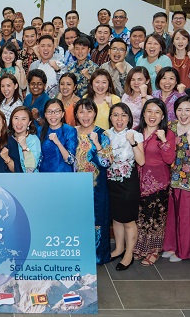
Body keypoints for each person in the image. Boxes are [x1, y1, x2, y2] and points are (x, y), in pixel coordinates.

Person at [162, 96, 190, 263]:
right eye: (179, 109)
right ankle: (171, 246)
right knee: (172, 216)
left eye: (187, 110)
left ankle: (184, 251)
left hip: (189, 181)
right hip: (170, 179)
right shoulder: (171, 126)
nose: (183, 114)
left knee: (185, 217)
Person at [134, 99, 176, 266]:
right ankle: (140, 248)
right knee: (140, 217)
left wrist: (164, 140)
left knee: (155, 219)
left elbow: (170, 159)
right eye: (149, 111)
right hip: (136, 182)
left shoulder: (167, 133)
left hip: (158, 183)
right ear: (143, 113)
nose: (152, 115)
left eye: (157, 112)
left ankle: (153, 251)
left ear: (163, 116)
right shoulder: (135, 131)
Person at [73, 99, 113, 264]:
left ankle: (97, 255)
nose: (85, 115)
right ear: (76, 114)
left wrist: (96, 143)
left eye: (89, 111)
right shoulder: (71, 133)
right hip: (74, 187)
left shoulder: (102, 134)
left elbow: (107, 162)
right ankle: (78, 253)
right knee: (77, 219)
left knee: (98, 219)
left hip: (96, 187)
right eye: (81, 111)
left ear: (95, 113)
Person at [107, 103, 145, 271]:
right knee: (116, 218)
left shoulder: (135, 134)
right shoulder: (106, 134)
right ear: (110, 117)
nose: (119, 119)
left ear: (129, 118)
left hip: (128, 183)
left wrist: (133, 143)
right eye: (115, 115)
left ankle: (129, 254)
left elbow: (141, 161)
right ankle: (119, 248)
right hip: (111, 182)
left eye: (123, 115)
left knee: (128, 220)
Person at [38, 99, 77, 172]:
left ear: (62, 114)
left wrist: (58, 143)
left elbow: (70, 160)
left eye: (57, 112)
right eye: (49, 112)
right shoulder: (40, 130)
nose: (53, 115)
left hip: (63, 174)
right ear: (45, 114)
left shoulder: (69, 131)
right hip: (44, 174)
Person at [8, 106, 41, 173]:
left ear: (29, 123)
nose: (19, 122)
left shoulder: (33, 140)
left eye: (23, 119)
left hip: (28, 178)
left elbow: (30, 170)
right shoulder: (8, 138)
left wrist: (24, 147)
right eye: (16, 118)